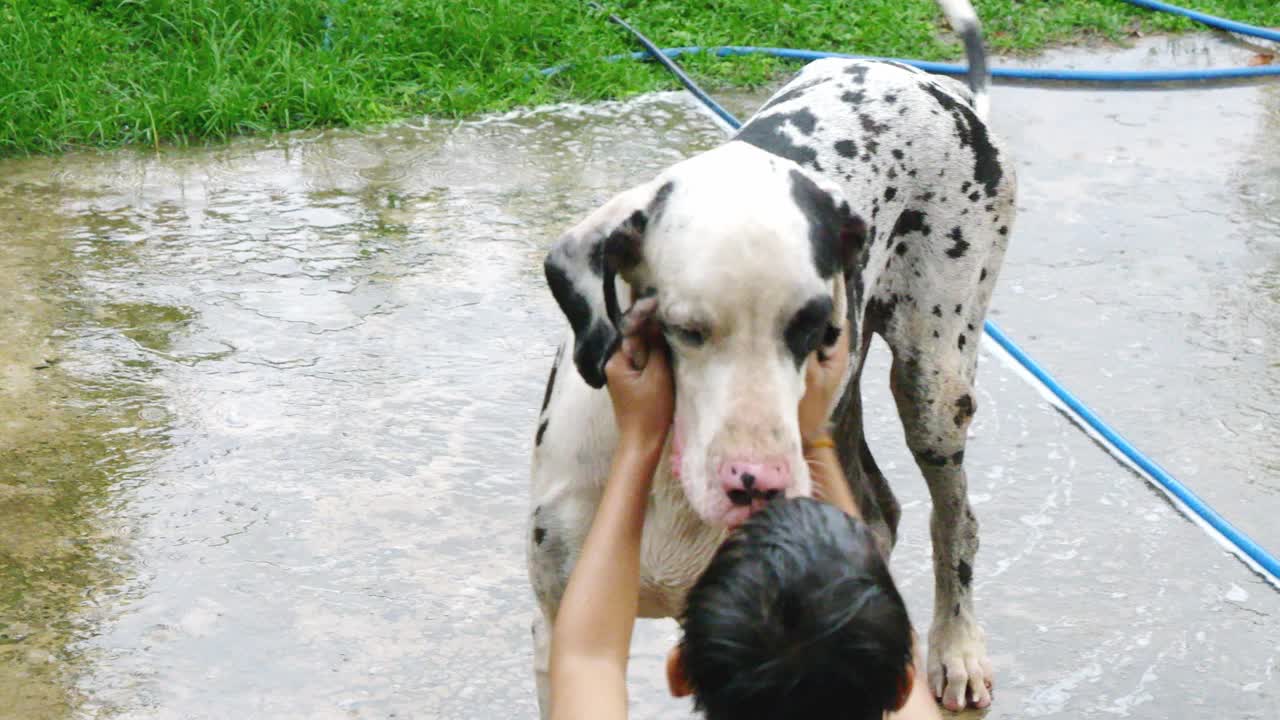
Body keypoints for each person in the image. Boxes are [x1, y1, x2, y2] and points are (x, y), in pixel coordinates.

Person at [548, 317, 943, 720]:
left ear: (679, 671)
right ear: (903, 685)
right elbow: (586, 660)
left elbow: (588, 656)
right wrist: (816, 440)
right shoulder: (910, 697)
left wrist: (639, 440)